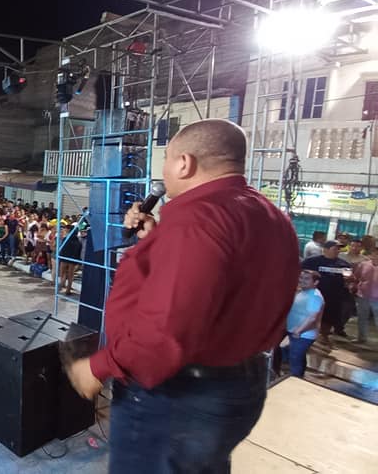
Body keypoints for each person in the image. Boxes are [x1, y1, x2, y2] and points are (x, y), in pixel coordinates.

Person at [65, 119, 299, 473]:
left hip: (179, 396)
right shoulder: (272, 217)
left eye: (166, 161)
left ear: (184, 163)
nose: (163, 172)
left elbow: (167, 327)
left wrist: (98, 367)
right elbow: (219, 287)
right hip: (239, 383)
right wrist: (155, 240)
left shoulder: (197, 220)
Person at [301, 241, 353, 342]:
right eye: (335, 249)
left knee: (329, 318)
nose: (338, 251)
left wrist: (350, 279)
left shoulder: (343, 264)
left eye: (339, 249)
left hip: (334, 296)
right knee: (311, 315)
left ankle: (324, 336)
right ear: (325, 249)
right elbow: (300, 272)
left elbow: (349, 278)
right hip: (314, 294)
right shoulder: (312, 261)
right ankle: (305, 334)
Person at [283, 270, 325, 377]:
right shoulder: (303, 292)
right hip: (295, 332)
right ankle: (297, 376)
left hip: (303, 335)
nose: (302, 280)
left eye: (306, 279)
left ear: (315, 282)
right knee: (297, 357)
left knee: (295, 359)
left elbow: (312, 318)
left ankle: (295, 379)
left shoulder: (314, 296)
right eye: (301, 278)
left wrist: (299, 331)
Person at [353, 251, 378, 343]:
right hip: (363, 296)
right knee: (362, 317)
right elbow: (356, 277)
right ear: (371, 255)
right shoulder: (363, 264)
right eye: (375, 254)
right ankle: (361, 337)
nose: (376, 256)